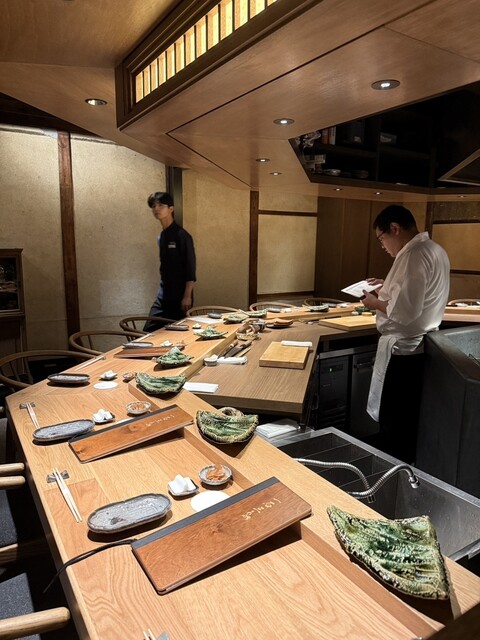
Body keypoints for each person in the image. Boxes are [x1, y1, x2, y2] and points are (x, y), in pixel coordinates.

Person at [361, 204, 450, 463]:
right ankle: (402, 471)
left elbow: (404, 311)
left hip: (403, 353)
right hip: (419, 347)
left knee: (394, 424)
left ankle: (391, 475)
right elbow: (413, 297)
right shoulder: (434, 250)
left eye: (382, 239)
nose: (383, 246)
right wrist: (386, 286)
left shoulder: (412, 255)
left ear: (395, 229)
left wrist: (373, 302)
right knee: (407, 421)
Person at [144, 192, 196, 329]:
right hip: (163, 295)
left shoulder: (182, 236)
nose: (156, 209)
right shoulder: (161, 237)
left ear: (171, 209)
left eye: (161, 205)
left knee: (177, 333)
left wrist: (187, 296)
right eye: (153, 206)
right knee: (148, 330)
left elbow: (190, 268)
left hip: (180, 296)